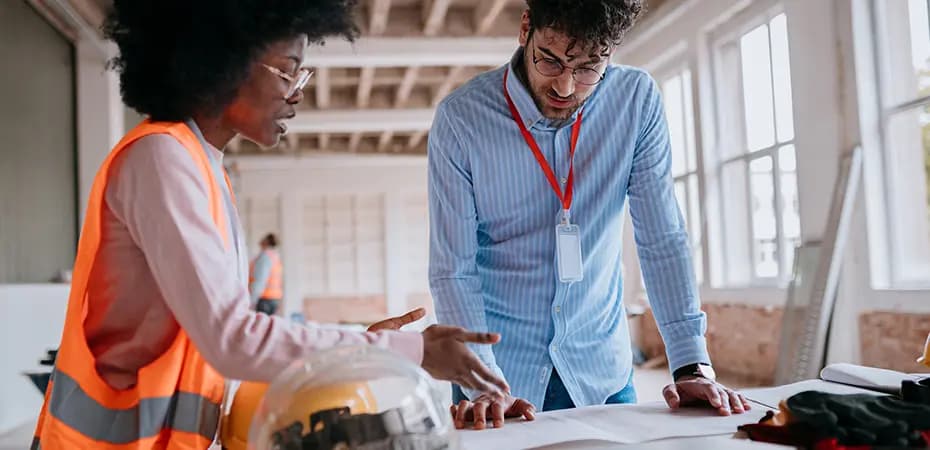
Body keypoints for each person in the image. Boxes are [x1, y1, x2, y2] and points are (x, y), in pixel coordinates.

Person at [31, 1, 507, 448]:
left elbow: (223, 352)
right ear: (221, 60)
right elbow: (233, 341)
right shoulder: (161, 158)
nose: (298, 92)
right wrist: (407, 350)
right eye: (288, 70)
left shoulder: (202, 167)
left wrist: (360, 349)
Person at [428, 0, 750, 430]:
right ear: (526, 29)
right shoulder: (461, 119)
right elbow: (454, 269)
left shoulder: (635, 100)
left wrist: (691, 364)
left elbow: (661, 238)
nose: (566, 87)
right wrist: (483, 383)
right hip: (496, 380)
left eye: (588, 68)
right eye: (551, 60)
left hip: (602, 371)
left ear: (611, 52)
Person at [250, 233, 283, 315]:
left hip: (264, 300)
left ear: (265, 242)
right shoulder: (275, 256)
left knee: (260, 327)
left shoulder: (264, 257)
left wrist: (252, 300)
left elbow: (260, 280)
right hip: (275, 298)